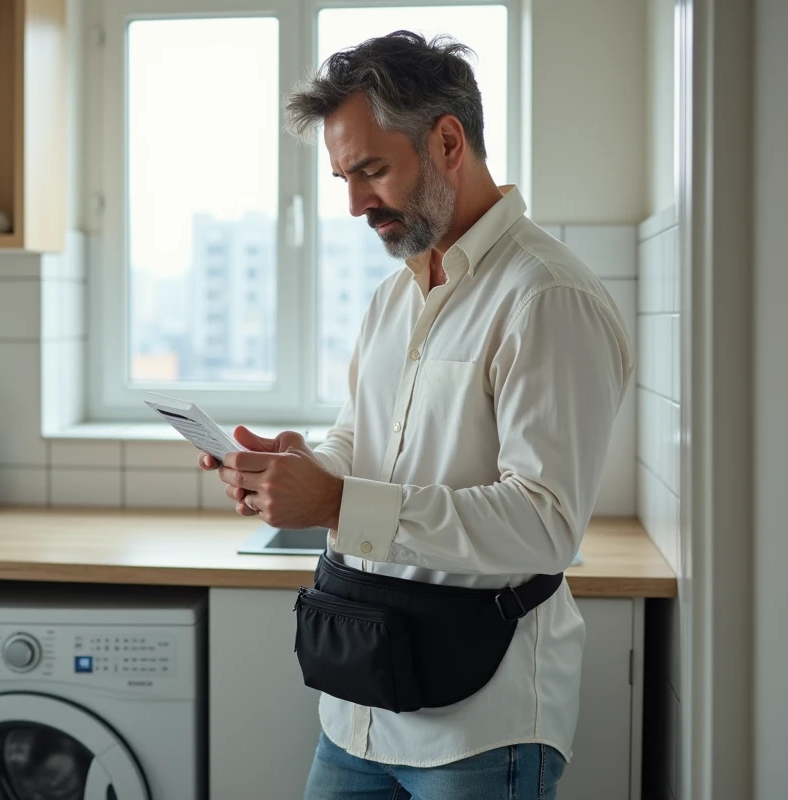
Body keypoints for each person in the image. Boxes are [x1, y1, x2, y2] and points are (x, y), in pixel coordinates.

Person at [199, 30, 634, 800]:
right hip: (359, 706)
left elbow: (545, 524)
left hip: (484, 727)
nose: (354, 205)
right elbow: (359, 438)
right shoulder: (394, 295)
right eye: (344, 177)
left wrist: (336, 503)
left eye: (372, 171)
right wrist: (303, 466)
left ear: (448, 142)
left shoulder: (547, 298)